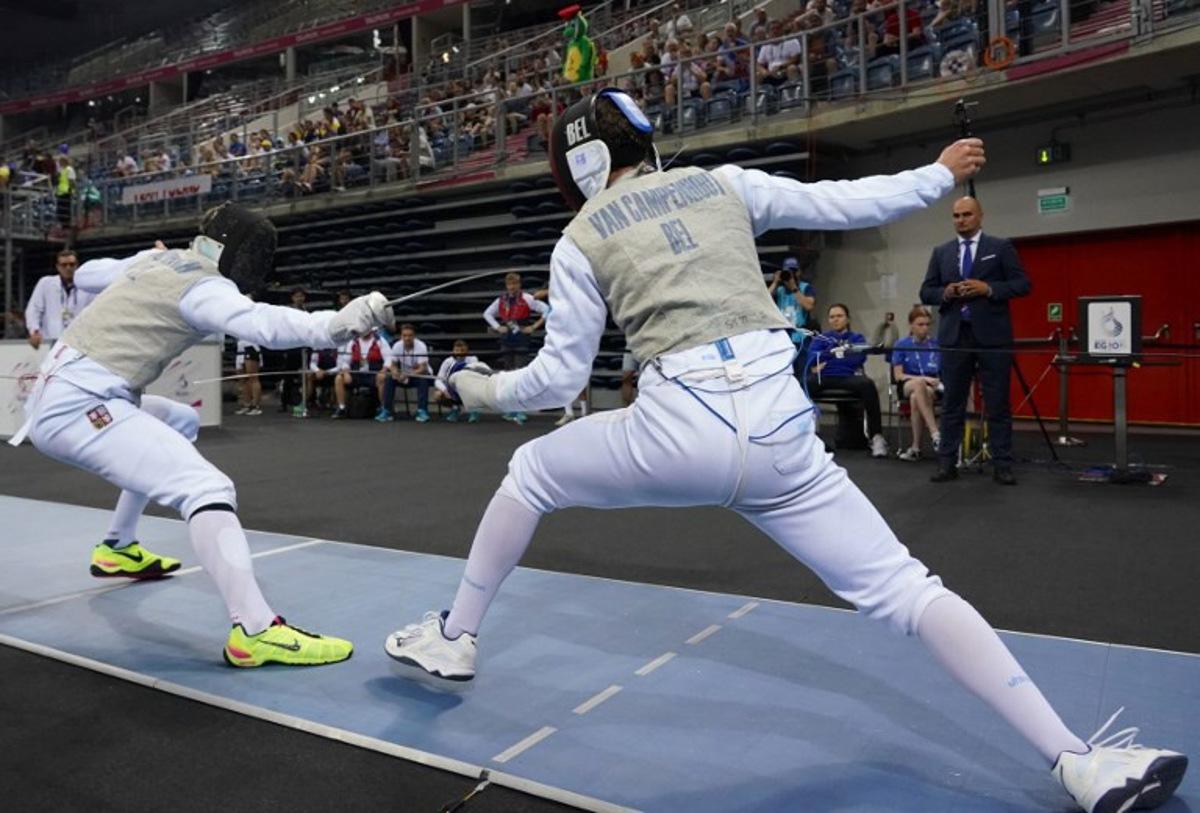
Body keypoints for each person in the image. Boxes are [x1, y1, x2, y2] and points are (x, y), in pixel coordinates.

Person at [383, 89, 1186, 813]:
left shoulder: (578, 237)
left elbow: (555, 379)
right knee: (907, 588)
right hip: (781, 431)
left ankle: (456, 635)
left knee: (531, 471)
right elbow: (843, 201)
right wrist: (937, 175)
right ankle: (1079, 760)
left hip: (674, 432)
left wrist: (475, 387)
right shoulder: (724, 184)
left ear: (580, 165)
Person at [12, 203, 393, 666]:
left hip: (67, 396)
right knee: (207, 488)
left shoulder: (159, 259)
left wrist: (140, 259)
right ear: (236, 249)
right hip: (81, 407)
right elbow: (262, 324)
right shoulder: (204, 286)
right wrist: (337, 323)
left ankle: (117, 547)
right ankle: (255, 631)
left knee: (180, 421)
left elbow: (90, 273)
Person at [919, 196, 1031, 485]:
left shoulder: (1000, 247)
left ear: (980, 216)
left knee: (997, 403)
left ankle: (1002, 464)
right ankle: (947, 464)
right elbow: (926, 291)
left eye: (967, 214)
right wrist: (945, 292)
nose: (961, 220)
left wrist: (988, 288)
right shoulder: (941, 252)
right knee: (952, 403)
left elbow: (1022, 284)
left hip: (992, 338)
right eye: (956, 215)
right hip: (955, 338)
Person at [806, 303, 890, 458]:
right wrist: (840, 354)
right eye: (832, 317)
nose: (835, 319)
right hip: (824, 378)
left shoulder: (857, 338)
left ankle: (876, 437)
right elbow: (812, 359)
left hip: (848, 378)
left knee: (868, 385)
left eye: (839, 316)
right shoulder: (821, 338)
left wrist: (828, 358)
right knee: (804, 384)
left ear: (847, 319)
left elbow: (858, 358)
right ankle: (807, 438)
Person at [483, 272, 548, 425]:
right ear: (506, 285)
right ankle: (511, 408)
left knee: (521, 373)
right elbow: (487, 314)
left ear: (520, 284)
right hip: (506, 339)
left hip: (522, 338)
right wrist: (497, 327)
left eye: (515, 284)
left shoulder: (527, 298)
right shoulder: (501, 300)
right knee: (508, 374)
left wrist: (533, 326)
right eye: (509, 284)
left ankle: (521, 409)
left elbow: (547, 310)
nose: (512, 287)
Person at [891, 306, 941, 460]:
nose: (924, 328)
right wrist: (923, 379)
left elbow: (941, 373)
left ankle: (915, 448)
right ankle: (935, 433)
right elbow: (898, 375)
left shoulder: (936, 345)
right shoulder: (901, 344)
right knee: (918, 385)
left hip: (932, 386)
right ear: (911, 325)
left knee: (915, 398)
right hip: (907, 383)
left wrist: (931, 381)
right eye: (920, 324)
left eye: (927, 324)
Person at [25, 249, 95, 350]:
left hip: (79, 343)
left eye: (72, 264)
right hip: (51, 341)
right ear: (57, 267)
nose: (68, 268)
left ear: (77, 265)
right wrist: (34, 331)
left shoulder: (88, 286)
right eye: (64, 265)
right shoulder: (45, 283)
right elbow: (34, 309)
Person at [333, 329, 392, 419]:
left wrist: (383, 370)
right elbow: (345, 361)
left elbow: (388, 359)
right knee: (339, 378)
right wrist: (346, 372)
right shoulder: (353, 341)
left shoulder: (380, 340)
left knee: (382, 378)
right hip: (357, 373)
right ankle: (342, 407)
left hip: (373, 373)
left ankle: (384, 408)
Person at [380, 323, 432, 422]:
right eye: (404, 336)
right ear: (401, 336)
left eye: (410, 336)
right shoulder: (397, 346)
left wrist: (408, 374)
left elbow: (423, 368)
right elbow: (393, 364)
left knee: (423, 379)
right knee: (389, 378)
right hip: (404, 376)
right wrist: (395, 372)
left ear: (414, 336)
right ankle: (387, 410)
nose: (407, 338)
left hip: (418, 375)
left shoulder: (421, 346)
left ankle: (422, 410)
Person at [434, 339, 482, 423]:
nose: (459, 353)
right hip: (452, 390)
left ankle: (474, 410)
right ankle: (455, 409)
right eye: (457, 350)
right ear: (453, 351)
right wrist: (445, 390)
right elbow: (438, 380)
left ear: (467, 351)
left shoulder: (473, 359)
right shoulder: (448, 361)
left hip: (467, 388)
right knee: (438, 395)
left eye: (462, 350)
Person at [234, 338, 263, 416]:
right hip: (240, 349)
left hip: (251, 347)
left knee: (253, 378)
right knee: (242, 379)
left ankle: (255, 406)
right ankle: (246, 404)